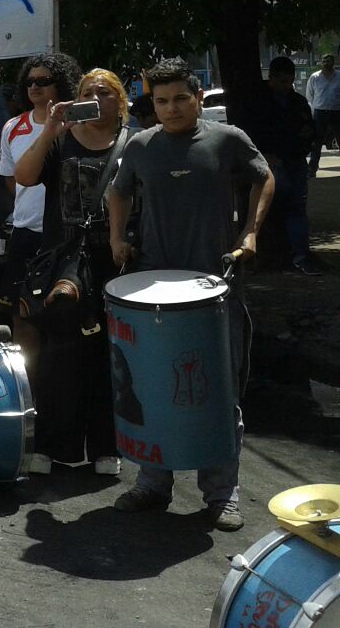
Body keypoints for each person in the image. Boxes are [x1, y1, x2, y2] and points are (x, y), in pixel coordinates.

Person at [108, 58, 274, 533]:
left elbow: (264, 177)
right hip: (153, 289)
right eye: (162, 101)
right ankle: (152, 485)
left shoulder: (227, 140)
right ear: (152, 104)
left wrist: (250, 232)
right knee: (153, 385)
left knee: (218, 389)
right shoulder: (141, 146)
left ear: (198, 96)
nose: (172, 108)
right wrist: (117, 236)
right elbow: (118, 193)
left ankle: (222, 494)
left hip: (215, 286)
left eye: (181, 98)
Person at [13, 68, 132, 478]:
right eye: (86, 92)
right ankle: (50, 443)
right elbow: (24, 176)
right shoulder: (61, 141)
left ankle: (106, 445)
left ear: (121, 101)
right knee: (58, 353)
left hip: (118, 262)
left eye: (104, 92)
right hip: (66, 261)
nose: (96, 97)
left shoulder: (136, 143)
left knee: (110, 355)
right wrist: (51, 128)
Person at [0, 54, 82, 365]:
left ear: (62, 84)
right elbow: (12, 178)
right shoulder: (13, 126)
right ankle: (29, 392)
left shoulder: (79, 123)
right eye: (30, 81)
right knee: (22, 317)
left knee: (67, 320)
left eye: (44, 81)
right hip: (26, 233)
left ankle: (61, 393)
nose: (35, 87)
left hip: (68, 236)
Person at [246, 57, 318, 275]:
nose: (287, 86)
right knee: (276, 207)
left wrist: (306, 139)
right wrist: (264, 154)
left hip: (294, 160)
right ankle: (274, 255)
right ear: (273, 78)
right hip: (272, 162)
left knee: (295, 207)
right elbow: (251, 132)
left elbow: (309, 129)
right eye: (283, 81)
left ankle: (299, 256)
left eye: (290, 82)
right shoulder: (260, 102)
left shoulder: (297, 102)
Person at [306, 53, 339, 176]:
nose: (326, 63)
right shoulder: (315, 77)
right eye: (324, 61)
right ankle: (312, 169)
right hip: (320, 113)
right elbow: (310, 95)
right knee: (317, 143)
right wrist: (315, 109)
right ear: (321, 63)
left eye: (329, 61)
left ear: (333, 62)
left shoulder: (339, 76)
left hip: (337, 112)